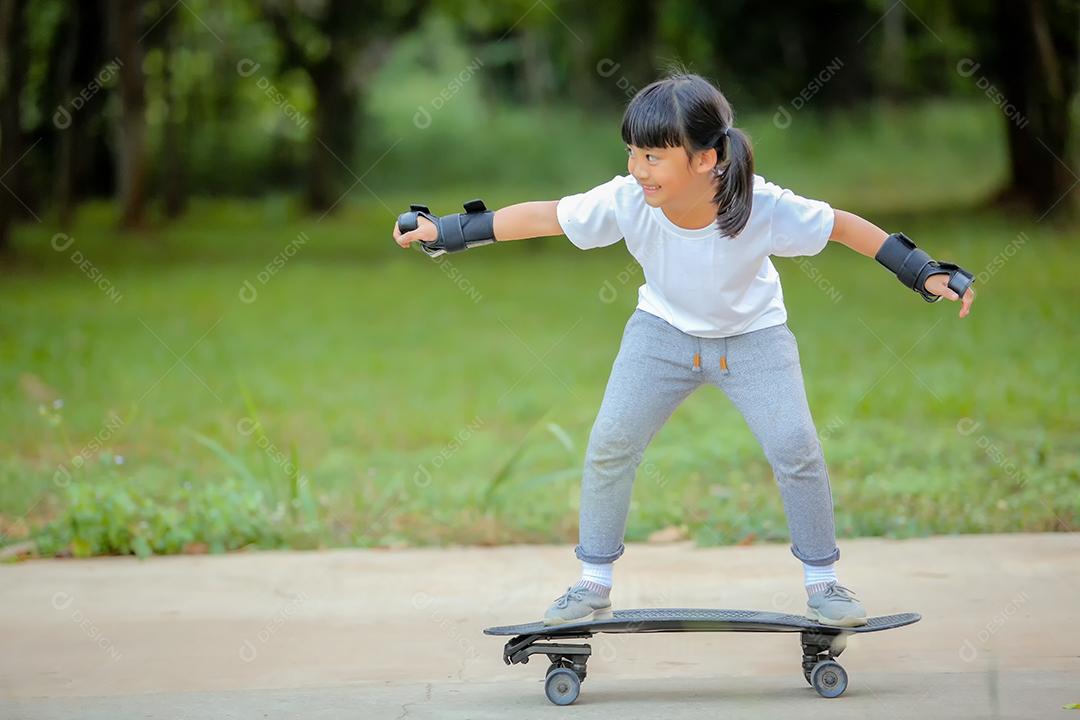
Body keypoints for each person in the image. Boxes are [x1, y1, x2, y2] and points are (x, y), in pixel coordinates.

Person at [392, 72, 976, 628]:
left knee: (796, 446)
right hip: (662, 335)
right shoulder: (628, 200)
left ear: (706, 159)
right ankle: (592, 585)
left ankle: (825, 584)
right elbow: (546, 216)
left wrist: (921, 271)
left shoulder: (761, 206)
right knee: (610, 443)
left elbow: (843, 226)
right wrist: (446, 232)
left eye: (652, 157)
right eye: (632, 153)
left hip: (755, 338)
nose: (636, 169)